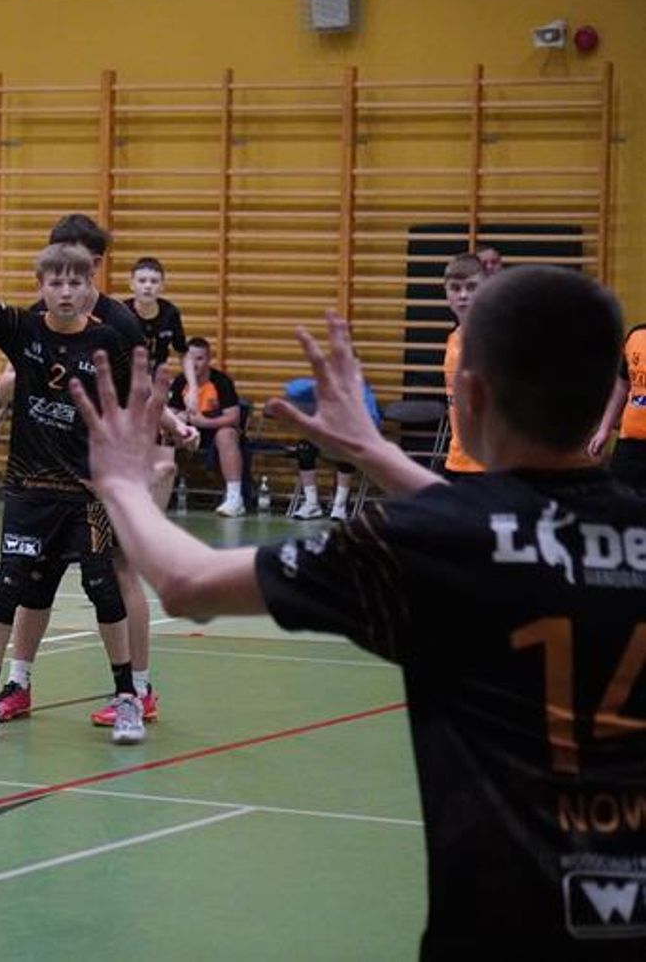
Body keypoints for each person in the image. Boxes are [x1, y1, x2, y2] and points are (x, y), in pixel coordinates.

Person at [72, 266, 646, 961]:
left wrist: (122, 485)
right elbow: (511, 528)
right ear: (607, 396)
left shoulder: (428, 544)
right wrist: (371, 450)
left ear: (468, 395)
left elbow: (189, 582)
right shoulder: (490, 533)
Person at [0, 203, 145, 746]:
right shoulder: (22, 330)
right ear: (41, 287)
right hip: (28, 492)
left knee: (103, 587)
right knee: (9, 589)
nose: (65, 291)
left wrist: (155, 439)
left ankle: (127, 698)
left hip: (85, 494)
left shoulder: (107, 342)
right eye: (55, 282)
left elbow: (127, 405)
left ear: (90, 287)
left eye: (76, 282)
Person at [0, 215, 191, 729]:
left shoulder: (118, 323)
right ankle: (18, 682)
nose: (64, 275)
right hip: (46, 475)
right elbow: (9, 381)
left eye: (75, 264)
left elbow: (139, 390)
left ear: (95, 264)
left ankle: (138, 690)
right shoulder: (42, 312)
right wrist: (9, 383)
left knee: (117, 572)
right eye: (54, 263)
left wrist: (173, 427)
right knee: (36, 576)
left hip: (106, 470)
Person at [281, 375, 381, 521]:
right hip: (326, 436)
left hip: (350, 437)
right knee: (305, 447)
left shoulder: (361, 390)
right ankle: (312, 504)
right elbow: (293, 389)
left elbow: (373, 419)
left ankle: (339, 506)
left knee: (346, 449)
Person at [168, 337, 245, 517]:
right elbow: (170, 413)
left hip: (214, 430)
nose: (195, 364)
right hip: (189, 432)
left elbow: (234, 417)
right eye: (191, 359)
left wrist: (205, 423)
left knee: (227, 435)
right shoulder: (180, 381)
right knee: (162, 434)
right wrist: (180, 419)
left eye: (200, 358)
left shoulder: (221, 381)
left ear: (209, 359)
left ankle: (235, 498)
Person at [442, 253, 485, 478]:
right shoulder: (453, 339)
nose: (463, 295)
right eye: (455, 288)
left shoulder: (498, 339)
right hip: (458, 459)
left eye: (471, 287)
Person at [590, 322, 646, 493]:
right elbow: (622, 385)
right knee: (619, 498)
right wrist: (604, 429)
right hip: (630, 444)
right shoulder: (636, 336)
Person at [124, 256, 188, 371]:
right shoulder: (121, 313)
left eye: (154, 281)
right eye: (142, 281)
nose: (148, 286)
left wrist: (192, 381)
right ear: (132, 284)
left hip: (158, 377)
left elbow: (182, 352)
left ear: (162, 286)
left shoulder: (170, 313)